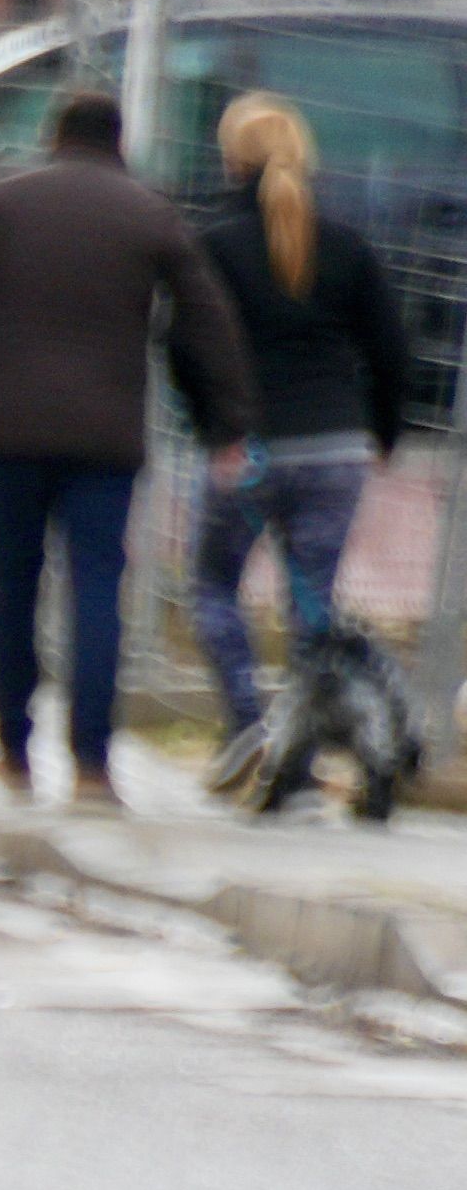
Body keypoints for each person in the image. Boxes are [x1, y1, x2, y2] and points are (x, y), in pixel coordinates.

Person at [0, 91, 250, 808]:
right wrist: (225, 419)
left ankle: (12, 750)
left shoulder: (3, 205)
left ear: (53, 136)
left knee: (10, 587)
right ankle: (91, 765)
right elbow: (205, 320)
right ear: (119, 139)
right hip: (105, 437)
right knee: (96, 588)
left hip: (6, 434)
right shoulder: (145, 213)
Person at [185, 90, 424, 784]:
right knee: (310, 605)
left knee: (212, 586)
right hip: (335, 449)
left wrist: (212, 426)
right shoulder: (345, 243)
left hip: (248, 448)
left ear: (232, 159)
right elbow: (389, 349)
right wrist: (380, 433)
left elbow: (186, 342)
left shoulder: (213, 244)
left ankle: (249, 726)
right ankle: (303, 755)